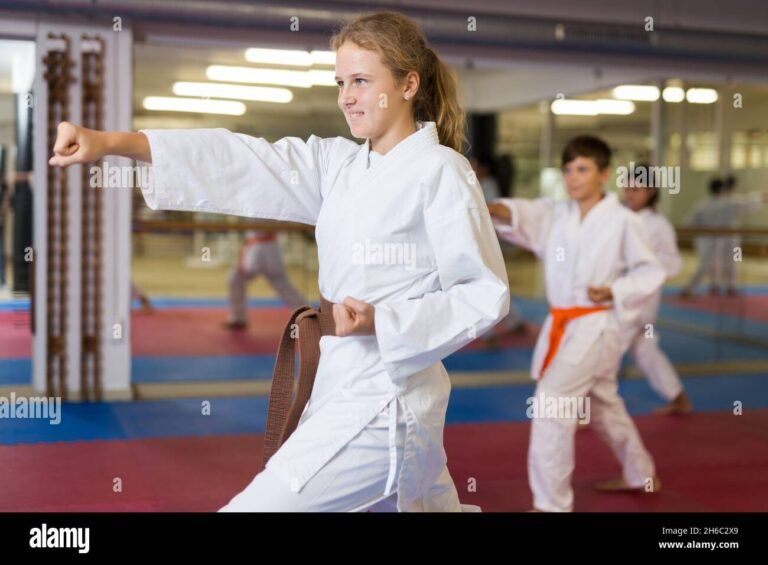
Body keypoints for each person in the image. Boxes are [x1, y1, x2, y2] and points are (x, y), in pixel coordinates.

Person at [49, 11, 509, 512]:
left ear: (407, 84)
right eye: (340, 82)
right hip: (338, 381)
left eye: (360, 80)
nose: (346, 97)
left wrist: (386, 319)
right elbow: (241, 160)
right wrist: (112, 143)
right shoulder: (339, 164)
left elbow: (483, 292)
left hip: (388, 397)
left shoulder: (441, 170)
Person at [488, 135, 665, 512]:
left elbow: (652, 270)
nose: (572, 177)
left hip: (594, 325)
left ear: (603, 174)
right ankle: (641, 473)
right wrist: (484, 206)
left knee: (552, 404)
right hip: (564, 325)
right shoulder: (558, 214)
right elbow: (520, 214)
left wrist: (616, 289)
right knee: (603, 405)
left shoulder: (623, 221)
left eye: (582, 168)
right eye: (568, 169)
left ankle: (552, 504)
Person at [621, 164, 691, 415]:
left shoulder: (659, 225)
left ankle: (587, 411)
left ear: (650, 191)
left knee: (602, 351)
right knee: (646, 350)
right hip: (617, 295)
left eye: (636, 189)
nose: (630, 193)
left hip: (640, 301)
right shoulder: (618, 216)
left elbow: (674, 264)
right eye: (628, 187)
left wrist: (646, 270)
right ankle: (679, 398)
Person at [225, 225, 306, 330]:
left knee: (283, 286)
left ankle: (306, 316)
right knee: (235, 279)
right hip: (257, 248)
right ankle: (238, 318)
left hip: (267, 248)